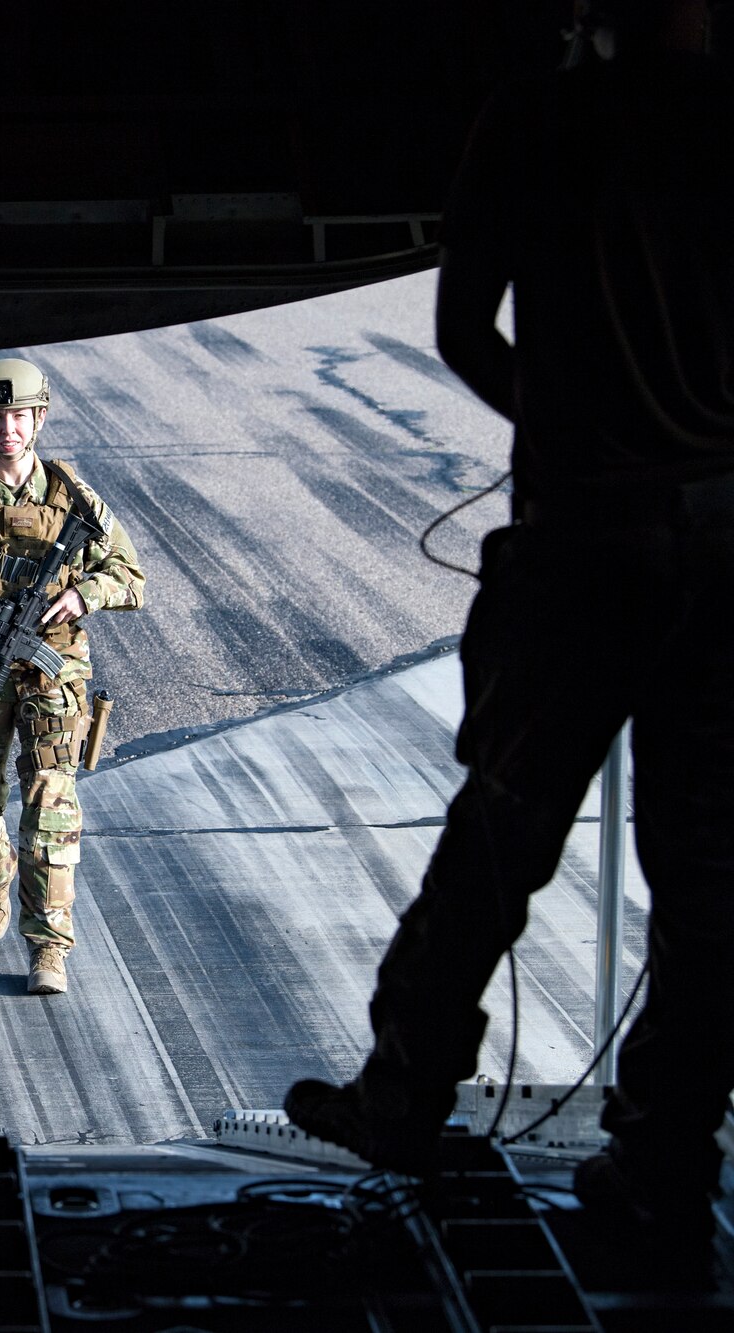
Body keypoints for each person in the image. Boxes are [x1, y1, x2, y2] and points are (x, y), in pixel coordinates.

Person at [285, 0, 734, 1277]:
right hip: (725, 550)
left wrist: (570, 424)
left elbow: (461, 331)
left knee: (497, 834)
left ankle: (401, 1096)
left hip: (581, 539)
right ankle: (661, 1162)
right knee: (709, 879)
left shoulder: (540, 118)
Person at [0, 359, 146, 994]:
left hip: (53, 675)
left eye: (18, 416)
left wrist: (83, 595)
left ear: (38, 418)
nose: (7, 429)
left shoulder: (74, 499)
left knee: (51, 811)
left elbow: (131, 577)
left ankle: (48, 948)